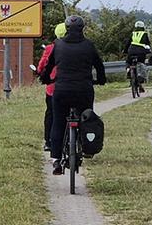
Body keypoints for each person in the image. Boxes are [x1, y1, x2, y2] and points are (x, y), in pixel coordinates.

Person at [40, 15, 107, 175]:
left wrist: (46, 79)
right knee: (86, 118)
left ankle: (56, 159)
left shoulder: (58, 45)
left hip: (62, 90)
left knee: (58, 122)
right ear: (82, 28)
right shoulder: (89, 46)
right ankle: (86, 148)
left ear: (67, 28)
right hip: (84, 90)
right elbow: (99, 66)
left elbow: (49, 66)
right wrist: (101, 80)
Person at [34, 22, 66, 151]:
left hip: (53, 88)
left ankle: (48, 141)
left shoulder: (50, 49)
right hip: (73, 85)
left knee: (51, 114)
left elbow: (41, 67)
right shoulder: (78, 47)